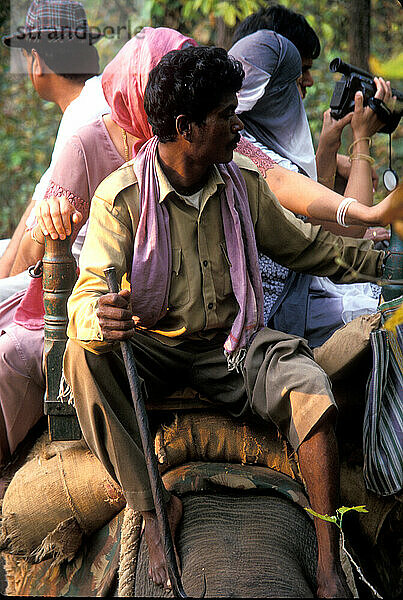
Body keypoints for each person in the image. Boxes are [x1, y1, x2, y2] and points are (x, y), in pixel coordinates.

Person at [62, 45, 403, 597]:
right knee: (84, 351)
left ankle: (325, 557)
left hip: (233, 346)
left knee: (309, 384)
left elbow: (306, 248)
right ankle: (152, 509)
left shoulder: (241, 181)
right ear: (186, 128)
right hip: (154, 345)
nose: (236, 123)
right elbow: (89, 290)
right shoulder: (120, 197)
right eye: (224, 114)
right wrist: (99, 314)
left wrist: (377, 261)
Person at [0, 27, 196, 471]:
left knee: (19, 353)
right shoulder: (89, 141)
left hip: (181, 327)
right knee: (29, 350)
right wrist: (53, 228)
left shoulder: (196, 143)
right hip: (96, 308)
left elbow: (266, 183)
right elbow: (48, 237)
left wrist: (353, 215)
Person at [229, 30, 390, 346]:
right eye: (297, 79)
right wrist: (362, 138)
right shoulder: (250, 153)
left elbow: (313, 209)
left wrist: (328, 148)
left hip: (297, 287)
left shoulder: (247, 140)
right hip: (281, 307)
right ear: (276, 92)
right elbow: (348, 231)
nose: (308, 84)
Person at [0, 0, 110, 300]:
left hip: (76, 271)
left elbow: (34, 251)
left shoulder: (83, 114)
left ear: (37, 60)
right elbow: (40, 200)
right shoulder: (94, 96)